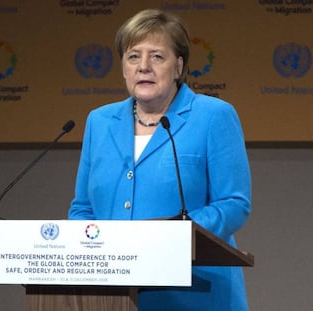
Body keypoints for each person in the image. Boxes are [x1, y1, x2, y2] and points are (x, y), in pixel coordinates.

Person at [68, 8, 251, 311]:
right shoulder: (99, 121)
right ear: (123, 68)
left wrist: (172, 237)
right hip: (112, 296)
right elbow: (83, 208)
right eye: (133, 56)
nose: (143, 67)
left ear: (178, 66)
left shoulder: (213, 116)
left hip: (194, 293)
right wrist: (90, 247)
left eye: (157, 57)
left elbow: (234, 203)